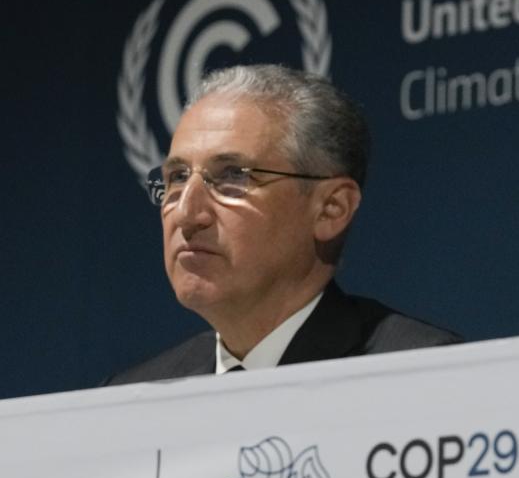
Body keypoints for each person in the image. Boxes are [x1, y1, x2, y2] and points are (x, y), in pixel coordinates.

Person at [108, 64, 459, 385]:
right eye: (177, 177)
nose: (186, 213)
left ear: (331, 209)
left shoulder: (420, 376)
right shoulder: (131, 397)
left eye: (232, 175)